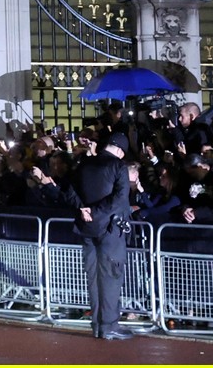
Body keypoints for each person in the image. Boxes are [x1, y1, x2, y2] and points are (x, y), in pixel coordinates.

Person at [68, 132, 136, 340]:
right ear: (120, 150)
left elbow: (69, 190)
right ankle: (109, 325)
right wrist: (96, 212)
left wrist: (83, 210)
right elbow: (120, 198)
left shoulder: (83, 164)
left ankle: (97, 325)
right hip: (109, 229)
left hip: (85, 227)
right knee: (110, 277)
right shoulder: (118, 167)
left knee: (93, 276)